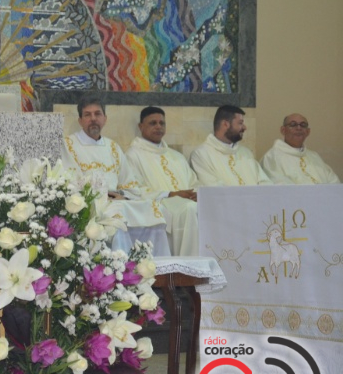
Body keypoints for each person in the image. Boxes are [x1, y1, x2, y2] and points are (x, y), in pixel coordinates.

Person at [60, 96, 170, 256]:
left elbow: (129, 183)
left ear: (105, 119)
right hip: (90, 203)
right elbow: (69, 182)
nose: (93, 119)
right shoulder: (68, 145)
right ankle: (121, 264)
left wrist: (122, 195)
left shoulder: (113, 147)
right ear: (80, 120)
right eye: (87, 115)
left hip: (117, 200)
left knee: (154, 210)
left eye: (97, 114)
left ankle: (156, 266)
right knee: (116, 216)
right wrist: (102, 195)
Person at [125, 107, 200, 256]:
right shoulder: (132, 155)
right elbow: (133, 190)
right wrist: (170, 194)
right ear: (141, 127)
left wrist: (197, 194)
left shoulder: (176, 156)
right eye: (153, 123)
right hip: (159, 205)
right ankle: (190, 267)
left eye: (162, 123)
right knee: (190, 209)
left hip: (185, 204)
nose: (158, 126)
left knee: (199, 207)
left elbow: (194, 182)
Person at [190, 105, 272, 186]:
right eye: (240, 123)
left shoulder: (246, 153)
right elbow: (213, 189)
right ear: (225, 124)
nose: (245, 127)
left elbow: (264, 182)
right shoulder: (201, 155)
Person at [260, 114, 340, 184]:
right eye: (293, 124)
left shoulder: (314, 156)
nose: (299, 128)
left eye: (303, 125)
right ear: (283, 130)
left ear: (308, 132)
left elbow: (333, 182)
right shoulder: (272, 157)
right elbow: (278, 185)